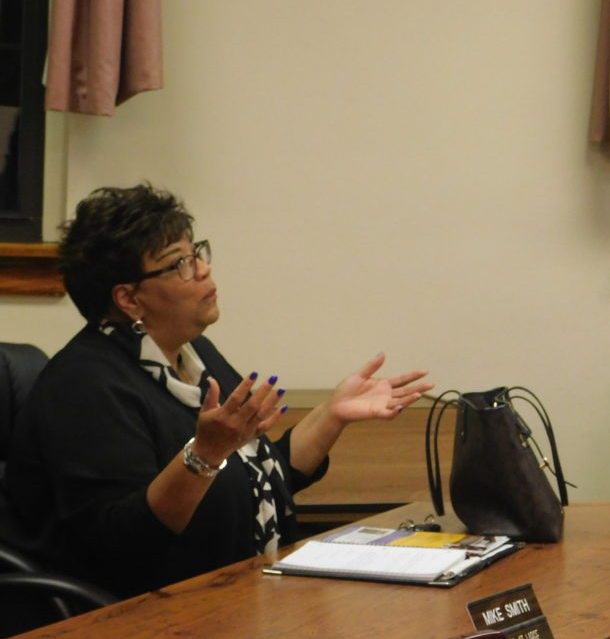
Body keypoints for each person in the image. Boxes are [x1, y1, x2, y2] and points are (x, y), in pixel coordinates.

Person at [0, 183, 431, 599]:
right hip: (144, 623)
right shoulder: (85, 387)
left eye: (196, 254)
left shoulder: (192, 355)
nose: (203, 269)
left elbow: (259, 478)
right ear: (129, 299)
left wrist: (332, 414)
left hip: (234, 598)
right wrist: (204, 456)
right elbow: (124, 548)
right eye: (179, 264)